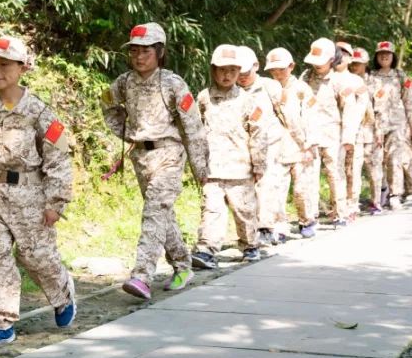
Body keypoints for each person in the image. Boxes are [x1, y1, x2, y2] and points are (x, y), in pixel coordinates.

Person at [0, 36, 76, 348]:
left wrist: (56, 202)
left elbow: (59, 158)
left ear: (22, 68)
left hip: (31, 195)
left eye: (4, 64)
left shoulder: (40, 112)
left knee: (36, 256)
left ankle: (62, 292)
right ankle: (2, 321)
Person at [102, 22, 208, 300]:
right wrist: (125, 132)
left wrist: (200, 168)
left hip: (170, 155)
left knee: (154, 211)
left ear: (160, 52)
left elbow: (192, 126)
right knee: (162, 215)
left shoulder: (173, 83)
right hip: (141, 157)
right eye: (134, 51)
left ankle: (142, 275)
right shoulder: (124, 82)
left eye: (145, 50)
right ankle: (183, 266)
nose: (139, 57)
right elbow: (107, 104)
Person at [192, 46, 269, 267]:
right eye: (222, 70)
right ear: (213, 70)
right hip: (212, 168)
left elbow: (258, 133)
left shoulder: (247, 100)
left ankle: (250, 245)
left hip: (241, 168)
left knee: (245, 210)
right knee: (211, 210)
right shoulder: (204, 98)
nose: (227, 76)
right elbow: (195, 132)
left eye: (232, 71)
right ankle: (207, 249)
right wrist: (198, 165)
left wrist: (259, 164)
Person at [299, 38, 359, 236]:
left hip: (333, 133)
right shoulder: (306, 77)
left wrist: (349, 137)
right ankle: (310, 216)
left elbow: (350, 109)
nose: (317, 64)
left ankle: (340, 213)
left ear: (332, 60)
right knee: (309, 175)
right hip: (309, 133)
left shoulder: (340, 81)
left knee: (335, 173)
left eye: (321, 60)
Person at [231, 46, 286, 247]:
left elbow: (287, 115)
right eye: (239, 73)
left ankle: (266, 228)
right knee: (247, 189)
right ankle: (252, 230)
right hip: (243, 146)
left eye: (246, 72)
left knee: (267, 184)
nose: (243, 77)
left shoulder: (270, 87)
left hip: (270, 143)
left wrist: (300, 143)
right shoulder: (231, 91)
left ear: (256, 66)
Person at [264, 47, 317, 234]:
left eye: (281, 69)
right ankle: (280, 226)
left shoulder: (302, 89)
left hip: (300, 147)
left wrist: (309, 144)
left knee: (302, 189)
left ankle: (307, 220)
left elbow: (311, 117)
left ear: (291, 66)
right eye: (273, 70)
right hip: (276, 148)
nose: (277, 73)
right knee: (276, 190)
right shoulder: (267, 89)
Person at [368, 41, 412, 209]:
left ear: (393, 56)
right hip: (376, 123)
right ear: (376, 56)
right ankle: (379, 192)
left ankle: (395, 193)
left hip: (398, 123)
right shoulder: (371, 77)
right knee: (376, 160)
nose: (384, 56)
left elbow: (410, 101)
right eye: (381, 54)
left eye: (388, 54)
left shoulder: (401, 76)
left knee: (395, 159)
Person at [333, 42, 370, 224]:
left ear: (349, 58)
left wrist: (352, 131)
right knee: (334, 171)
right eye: (336, 52)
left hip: (354, 133)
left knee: (352, 170)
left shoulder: (356, 81)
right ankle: (337, 207)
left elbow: (364, 108)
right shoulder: (323, 78)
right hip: (330, 133)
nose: (339, 56)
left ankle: (352, 205)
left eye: (343, 53)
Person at [349, 47, 384, 214]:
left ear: (366, 64)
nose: (354, 67)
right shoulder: (346, 80)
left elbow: (381, 109)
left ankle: (376, 201)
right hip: (352, 131)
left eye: (358, 64)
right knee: (353, 168)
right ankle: (352, 204)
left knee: (373, 168)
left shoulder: (375, 83)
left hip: (370, 131)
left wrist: (380, 131)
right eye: (352, 63)